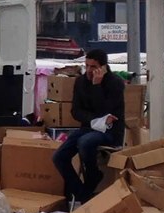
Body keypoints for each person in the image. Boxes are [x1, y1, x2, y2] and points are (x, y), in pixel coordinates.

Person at [52, 49, 125, 204]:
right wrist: (93, 120)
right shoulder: (80, 82)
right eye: (87, 66)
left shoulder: (115, 83)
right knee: (59, 157)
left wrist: (97, 86)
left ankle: (92, 175)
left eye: (93, 67)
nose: (89, 70)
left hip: (110, 131)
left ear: (103, 67)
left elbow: (106, 109)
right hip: (88, 127)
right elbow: (76, 111)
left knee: (85, 142)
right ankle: (83, 194)